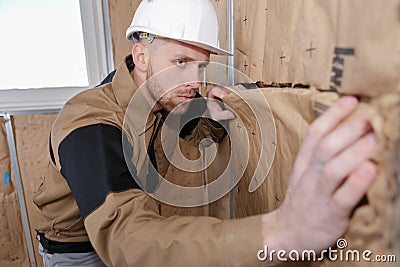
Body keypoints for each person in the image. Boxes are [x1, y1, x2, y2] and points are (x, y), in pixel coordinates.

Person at [34, 0, 378, 266]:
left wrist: (213, 118)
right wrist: (281, 232)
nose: (194, 82)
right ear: (141, 56)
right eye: (181, 62)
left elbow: (190, 136)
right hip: (78, 250)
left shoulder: (160, 98)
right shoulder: (89, 122)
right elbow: (126, 238)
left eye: (200, 65)